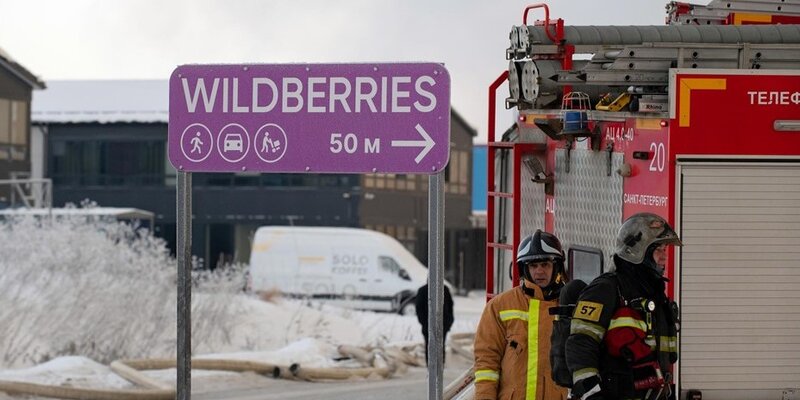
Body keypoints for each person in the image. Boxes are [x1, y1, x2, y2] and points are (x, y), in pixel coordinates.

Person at [566, 213, 682, 400]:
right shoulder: (606, 289)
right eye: (659, 250)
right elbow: (581, 342)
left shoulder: (655, 294)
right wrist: (591, 391)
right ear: (638, 251)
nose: (664, 257)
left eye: (665, 250)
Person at [474, 229, 569, 400]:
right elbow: (486, 362)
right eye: (533, 265)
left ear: (556, 266)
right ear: (524, 268)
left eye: (545, 264)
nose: (539, 271)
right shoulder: (500, 306)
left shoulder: (569, 305)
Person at [415, 282, 454, 365]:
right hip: (431, 324)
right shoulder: (442, 289)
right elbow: (419, 309)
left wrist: (449, 321)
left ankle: (436, 366)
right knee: (434, 345)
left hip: (440, 324)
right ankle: (434, 366)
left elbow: (450, 306)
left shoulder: (444, 289)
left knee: (436, 345)